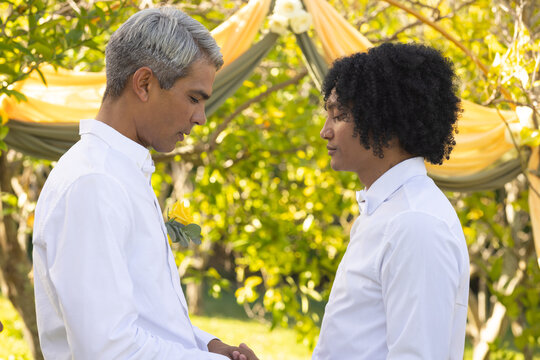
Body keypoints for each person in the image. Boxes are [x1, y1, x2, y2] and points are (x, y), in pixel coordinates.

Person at [32, 7, 258, 360]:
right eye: (194, 98)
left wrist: (209, 345)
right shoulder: (94, 182)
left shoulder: (121, 173)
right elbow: (106, 348)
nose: (200, 117)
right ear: (144, 83)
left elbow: (145, 318)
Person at [312, 43, 469, 359]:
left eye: (339, 115)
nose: (324, 131)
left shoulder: (415, 223)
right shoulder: (385, 212)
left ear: (387, 122)